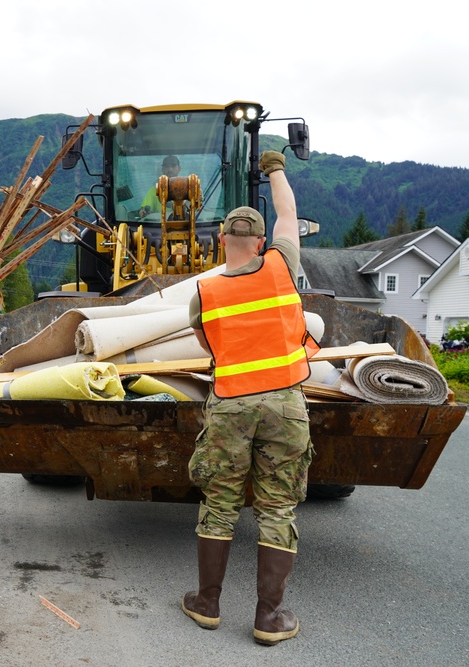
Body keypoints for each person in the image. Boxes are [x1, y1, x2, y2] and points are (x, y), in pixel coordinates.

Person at [182, 150, 317, 645]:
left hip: (231, 404)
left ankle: (207, 604)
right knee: (278, 506)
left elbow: (209, 347)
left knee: (219, 503)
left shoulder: (204, 291)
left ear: (220, 240)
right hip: (285, 403)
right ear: (261, 242)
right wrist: (275, 170)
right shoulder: (281, 265)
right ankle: (269, 618)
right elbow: (287, 212)